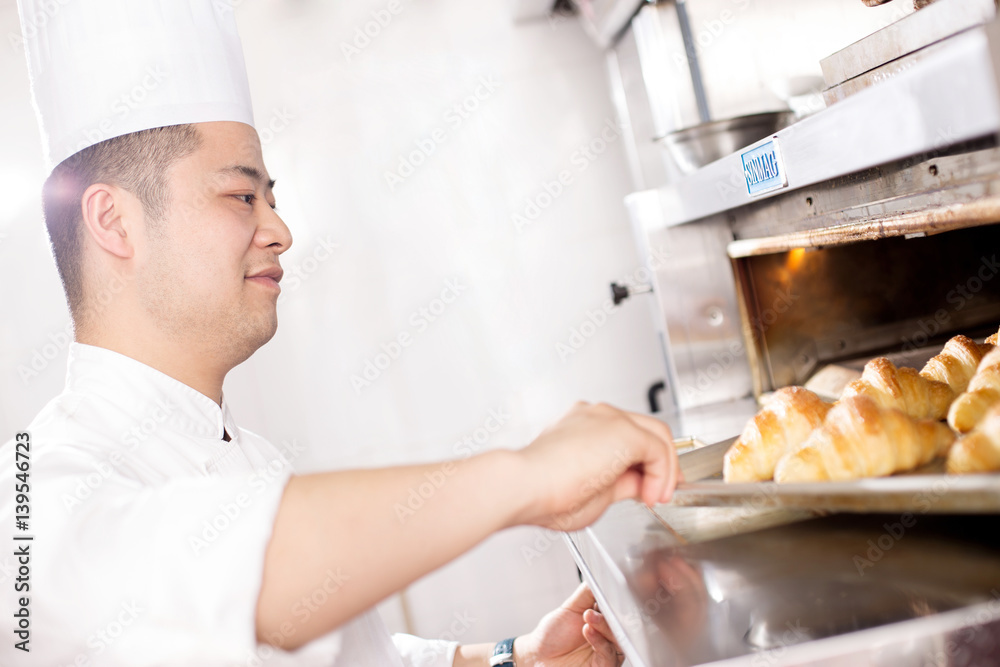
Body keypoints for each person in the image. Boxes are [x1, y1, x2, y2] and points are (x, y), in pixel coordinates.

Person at [2, 2, 679, 666]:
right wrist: (529, 475)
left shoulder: (250, 455)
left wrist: (510, 658)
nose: (280, 230)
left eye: (272, 197)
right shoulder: (30, 494)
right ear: (113, 221)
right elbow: (221, 572)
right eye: (243, 195)